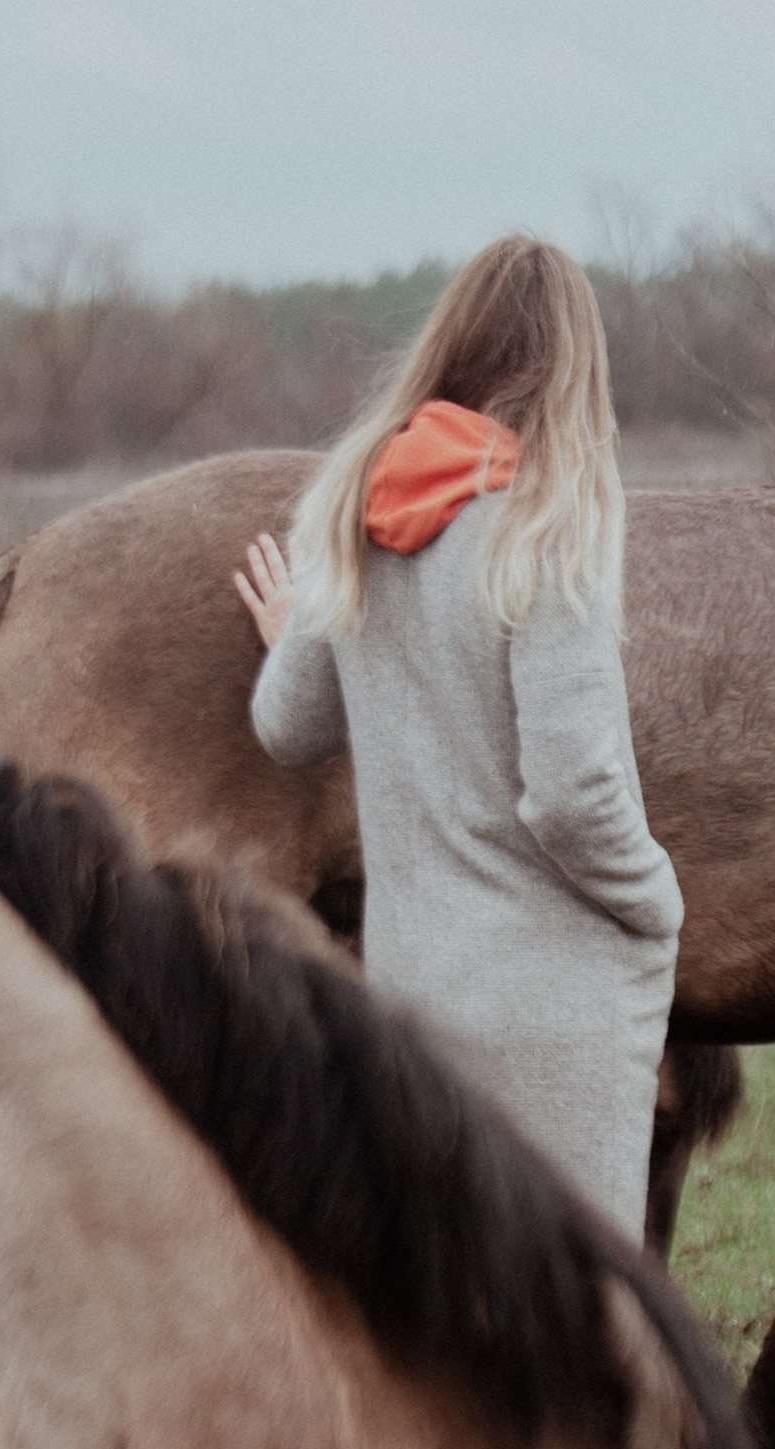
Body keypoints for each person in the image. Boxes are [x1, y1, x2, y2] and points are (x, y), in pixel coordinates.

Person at [235, 235, 681, 1240]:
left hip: (417, 991)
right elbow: (571, 788)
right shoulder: (545, 529)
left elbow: (286, 725)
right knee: (580, 1315)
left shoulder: (356, 509)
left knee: (453, 1314)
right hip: (554, 1003)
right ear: (572, 367)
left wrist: (294, 633)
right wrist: (654, 900)